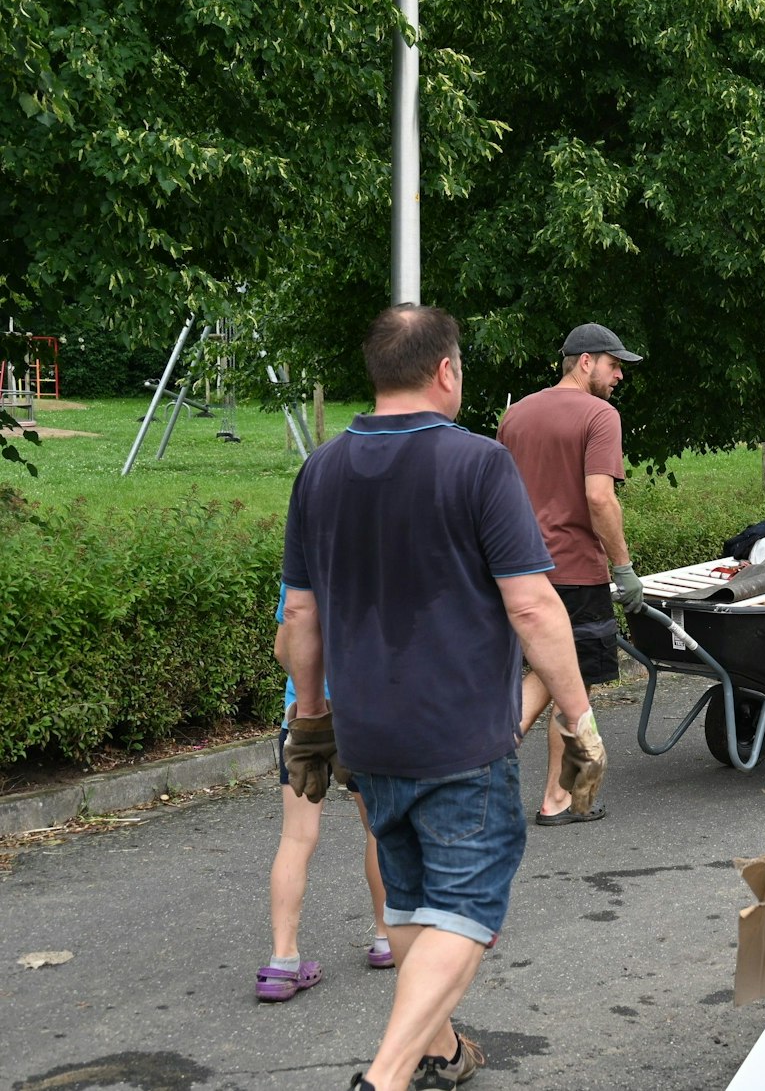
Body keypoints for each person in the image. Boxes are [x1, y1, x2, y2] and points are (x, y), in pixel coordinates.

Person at [281, 304, 605, 1091]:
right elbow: (532, 606)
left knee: (415, 900)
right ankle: (385, 1076)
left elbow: (300, 615)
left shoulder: (318, 470)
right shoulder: (479, 464)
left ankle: (439, 1048)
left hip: (366, 736)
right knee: (466, 907)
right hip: (459, 735)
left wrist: (312, 720)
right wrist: (578, 716)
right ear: (447, 371)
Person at [496, 323, 646, 826]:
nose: (619, 375)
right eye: (613, 364)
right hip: (573, 571)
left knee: (560, 676)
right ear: (585, 362)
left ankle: (561, 797)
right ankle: (479, 758)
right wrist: (622, 566)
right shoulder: (599, 414)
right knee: (562, 675)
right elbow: (600, 498)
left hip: (516, 569)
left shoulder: (515, 416)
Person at [259, 584, 393, 1004]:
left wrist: (312, 693)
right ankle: (387, 938)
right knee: (379, 829)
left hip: (304, 717)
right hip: (365, 714)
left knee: (296, 837)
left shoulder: (303, 563)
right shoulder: (378, 551)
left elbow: (284, 647)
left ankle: (281, 963)